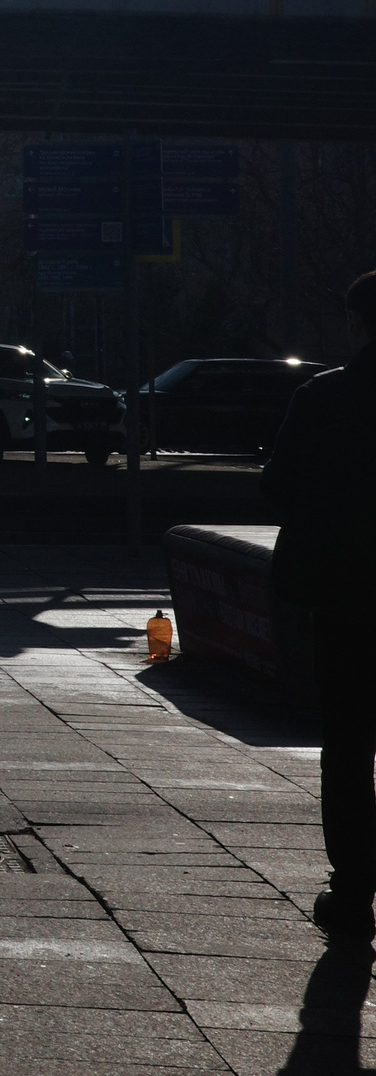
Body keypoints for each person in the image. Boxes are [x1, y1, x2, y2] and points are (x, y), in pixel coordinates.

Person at [269, 270, 376, 940]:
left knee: (347, 744)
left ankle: (354, 890)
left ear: (359, 324)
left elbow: (278, 485)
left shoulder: (325, 396)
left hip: (346, 595)